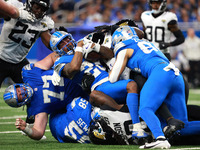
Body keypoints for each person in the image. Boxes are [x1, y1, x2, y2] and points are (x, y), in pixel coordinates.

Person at [108, 25, 200, 149]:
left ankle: (160, 138)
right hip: (176, 74)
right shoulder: (145, 42)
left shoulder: (124, 47)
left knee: (145, 109)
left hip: (160, 73)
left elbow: (113, 78)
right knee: (182, 127)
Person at [3, 50, 89, 140]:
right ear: (20, 104)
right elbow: (39, 132)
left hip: (77, 73)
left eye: (18, 90)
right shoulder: (36, 108)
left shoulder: (29, 74)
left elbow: (53, 56)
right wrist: (26, 129)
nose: (21, 92)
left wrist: (58, 68)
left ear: (18, 85)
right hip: (82, 99)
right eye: (19, 97)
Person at [0, 0, 54, 88]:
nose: (39, 11)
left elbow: (50, 43)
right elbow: (6, 12)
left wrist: (60, 40)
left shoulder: (44, 22)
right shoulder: (16, 7)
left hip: (19, 61)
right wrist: (18, 14)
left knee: (35, 90)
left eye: (42, 9)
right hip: (1, 57)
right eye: (37, 7)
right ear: (30, 4)